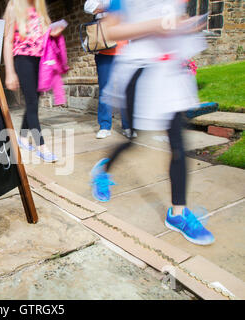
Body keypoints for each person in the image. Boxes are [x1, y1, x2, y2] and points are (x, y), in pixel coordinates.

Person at [90, 0, 215, 245]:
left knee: (178, 144)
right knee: (135, 140)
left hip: (169, 71)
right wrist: (156, 25)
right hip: (140, 70)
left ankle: (177, 213)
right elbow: (110, 31)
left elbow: (173, 19)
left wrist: (185, 25)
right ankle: (102, 172)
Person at [3, 0, 64, 162]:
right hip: (23, 59)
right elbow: (8, 41)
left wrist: (53, 33)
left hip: (41, 60)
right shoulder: (14, 6)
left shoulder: (40, 7)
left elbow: (45, 34)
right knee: (31, 102)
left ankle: (22, 138)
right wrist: (9, 72)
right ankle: (41, 146)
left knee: (34, 101)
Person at [84, 0, 135, 139]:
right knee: (105, 90)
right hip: (104, 50)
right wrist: (112, 8)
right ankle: (105, 126)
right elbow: (88, 6)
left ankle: (128, 126)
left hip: (125, 50)